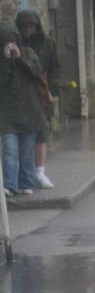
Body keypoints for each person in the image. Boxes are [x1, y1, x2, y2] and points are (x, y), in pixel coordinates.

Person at [0, 26, 47, 197]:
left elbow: (36, 72)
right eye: (5, 43)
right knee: (10, 152)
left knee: (26, 154)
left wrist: (19, 59)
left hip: (30, 112)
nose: (10, 45)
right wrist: (6, 60)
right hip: (7, 114)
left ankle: (27, 183)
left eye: (12, 42)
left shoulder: (28, 52)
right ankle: (10, 185)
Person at [15, 10, 60, 189]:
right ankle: (24, 173)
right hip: (21, 95)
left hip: (42, 93)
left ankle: (40, 172)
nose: (28, 30)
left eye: (32, 26)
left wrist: (53, 91)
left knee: (42, 133)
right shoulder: (15, 44)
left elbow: (56, 68)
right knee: (22, 134)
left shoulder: (47, 44)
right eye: (25, 26)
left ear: (37, 26)